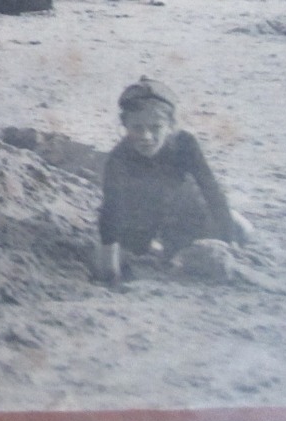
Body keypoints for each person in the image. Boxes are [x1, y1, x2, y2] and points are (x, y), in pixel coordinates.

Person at [94, 77, 252, 285]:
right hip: (142, 220)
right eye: (137, 127)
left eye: (155, 127)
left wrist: (228, 240)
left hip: (184, 215)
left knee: (243, 232)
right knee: (107, 258)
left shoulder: (184, 144)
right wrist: (110, 267)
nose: (146, 136)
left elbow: (211, 189)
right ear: (125, 125)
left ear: (170, 126)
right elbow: (110, 212)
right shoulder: (119, 158)